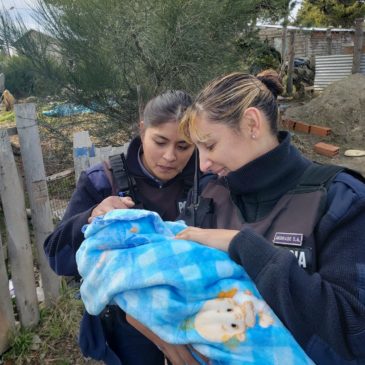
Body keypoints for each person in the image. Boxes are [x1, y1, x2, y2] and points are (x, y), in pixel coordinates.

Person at [128, 72, 365, 365]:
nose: (203, 164)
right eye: (198, 149)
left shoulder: (340, 199)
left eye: (210, 145)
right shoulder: (208, 195)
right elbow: (174, 282)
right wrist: (161, 331)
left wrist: (243, 245)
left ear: (252, 124)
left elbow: (354, 331)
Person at [43, 90, 199, 365]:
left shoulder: (208, 181)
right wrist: (90, 216)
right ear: (142, 130)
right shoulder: (102, 182)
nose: (170, 156)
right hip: (127, 326)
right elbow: (57, 258)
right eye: (160, 142)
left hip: (196, 317)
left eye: (183, 146)